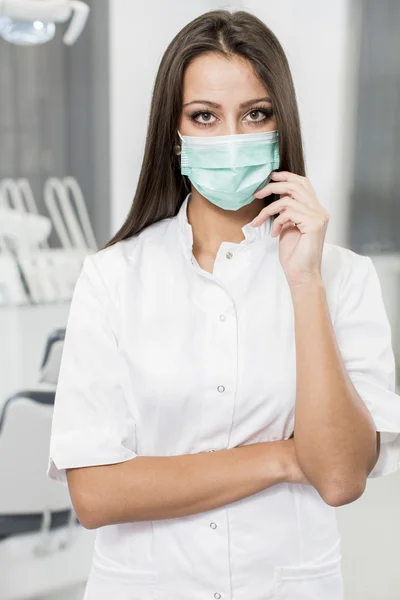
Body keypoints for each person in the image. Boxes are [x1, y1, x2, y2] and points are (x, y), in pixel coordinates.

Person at [46, 9, 400, 600]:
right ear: (175, 134)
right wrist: (287, 459)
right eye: (204, 116)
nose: (232, 137)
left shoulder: (343, 278)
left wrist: (304, 282)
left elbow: (338, 476)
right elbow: (97, 495)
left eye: (255, 114)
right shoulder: (112, 277)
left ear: (282, 124)